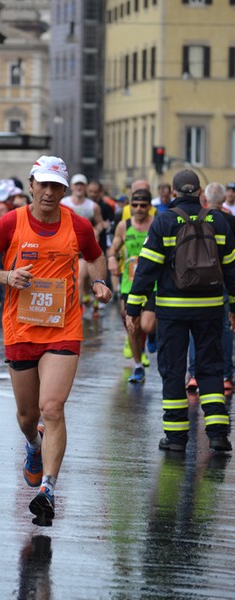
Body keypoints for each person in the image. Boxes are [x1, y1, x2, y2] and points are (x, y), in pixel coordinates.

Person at [0, 155, 112, 525]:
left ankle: (48, 489)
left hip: (64, 327)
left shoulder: (78, 226)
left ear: (65, 190)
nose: (49, 192)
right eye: (43, 184)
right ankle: (33, 445)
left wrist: (99, 282)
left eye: (56, 186)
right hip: (21, 329)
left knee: (52, 407)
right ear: (31, 185)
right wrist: (6, 277)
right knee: (27, 415)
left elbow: (97, 258)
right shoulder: (9, 223)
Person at [126, 169, 235, 453]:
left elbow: (146, 269)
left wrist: (133, 306)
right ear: (199, 193)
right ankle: (218, 433)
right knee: (211, 368)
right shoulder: (218, 220)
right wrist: (233, 306)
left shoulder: (165, 221)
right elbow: (232, 270)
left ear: (173, 194)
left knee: (173, 369)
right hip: (211, 308)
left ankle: (175, 437)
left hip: (173, 310)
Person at [187, 182, 235, 395]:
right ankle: (225, 375)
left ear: (204, 199)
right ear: (224, 199)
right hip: (224, 279)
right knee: (225, 326)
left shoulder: (200, 218)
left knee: (193, 325)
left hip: (200, 279)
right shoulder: (230, 221)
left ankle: (195, 374)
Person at [107, 188, 156, 383]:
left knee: (147, 325)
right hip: (131, 283)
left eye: (143, 205)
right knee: (132, 327)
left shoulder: (157, 224)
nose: (138, 209)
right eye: (134, 205)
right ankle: (138, 367)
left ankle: (153, 334)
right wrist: (111, 258)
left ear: (149, 207)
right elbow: (114, 247)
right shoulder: (123, 225)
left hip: (154, 284)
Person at [61, 173, 108, 316]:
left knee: (83, 277)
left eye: (82, 184)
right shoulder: (64, 203)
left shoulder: (93, 206)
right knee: (76, 279)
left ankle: (80, 310)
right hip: (66, 247)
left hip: (84, 247)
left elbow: (101, 223)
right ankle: (77, 307)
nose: (79, 187)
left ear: (85, 187)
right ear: (72, 187)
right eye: (77, 184)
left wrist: (96, 230)